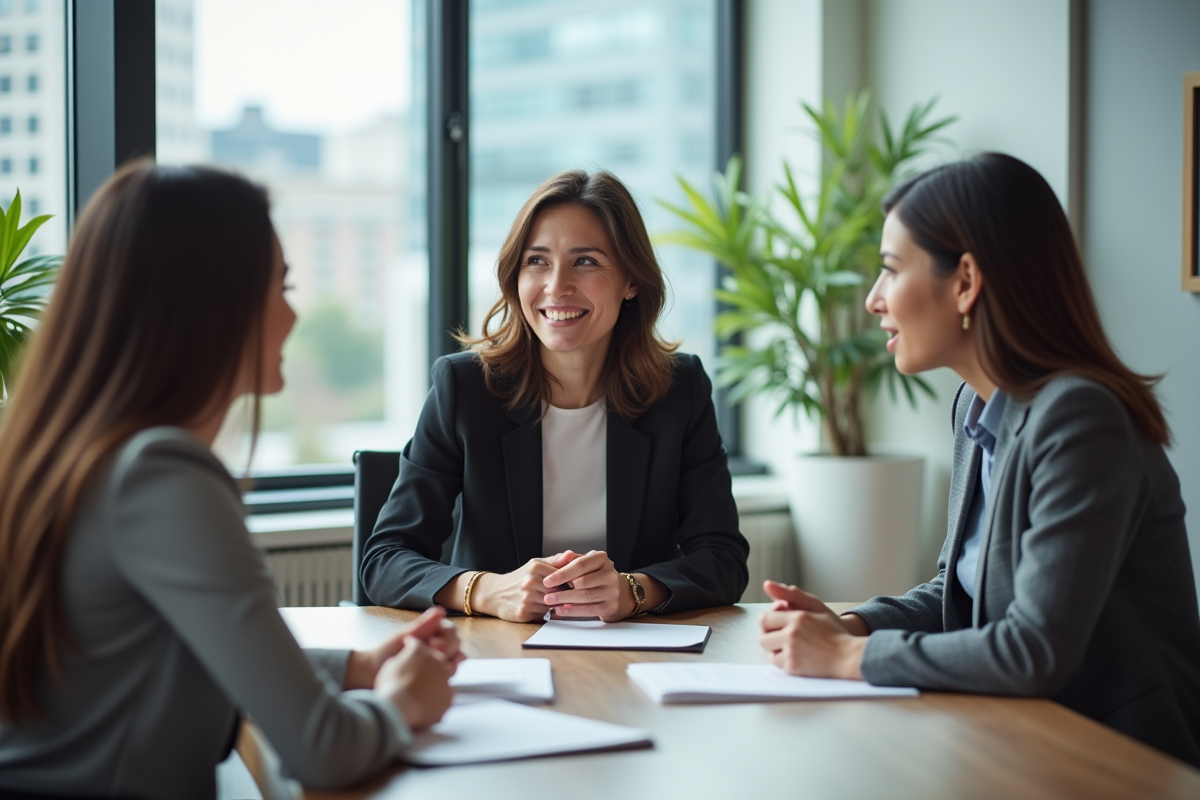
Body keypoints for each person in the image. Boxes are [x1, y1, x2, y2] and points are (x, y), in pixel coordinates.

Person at [0, 161, 462, 799]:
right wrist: (404, 701)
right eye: (280, 287)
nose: (292, 318)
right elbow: (323, 750)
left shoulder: (74, 452)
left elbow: (187, 645)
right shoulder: (160, 476)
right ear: (210, 304)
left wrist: (358, 666)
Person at [759, 152, 1200, 767]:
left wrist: (845, 659)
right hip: (1012, 737)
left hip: (1115, 760)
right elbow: (955, 595)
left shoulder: (1081, 419)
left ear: (966, 281)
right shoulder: (978, 406)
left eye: (890, 270)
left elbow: (1033, 650)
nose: (872, 300)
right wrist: (852, 625)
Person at [362, 169, 749, 622]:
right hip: (498, 652)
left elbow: (723, 558)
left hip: (632, 655)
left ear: (631, 281)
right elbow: (385, 559)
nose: (556, 286)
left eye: (585, 262)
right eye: (537, 261)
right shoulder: (464, 390)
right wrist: (486, 590)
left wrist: (633, 591)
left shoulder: (678, 391)